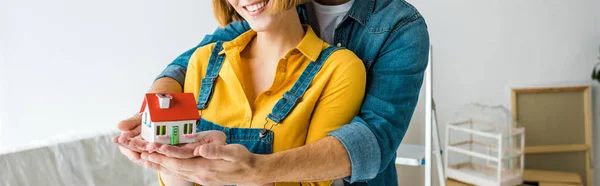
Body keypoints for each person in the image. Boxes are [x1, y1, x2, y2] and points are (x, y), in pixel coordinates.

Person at [115, 0, 430, 185]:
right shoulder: (252, 25)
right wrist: (153, 119)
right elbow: (185, 65)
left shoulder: (398, 26)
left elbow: (371, 140)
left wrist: (253, 170)